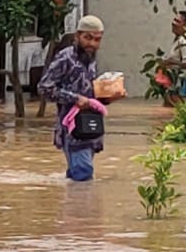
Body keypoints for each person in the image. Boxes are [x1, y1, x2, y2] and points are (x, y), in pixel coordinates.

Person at [37, 15, 123, 182]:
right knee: (83, 175)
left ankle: (75, 206)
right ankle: (82, 207)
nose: (92, 44)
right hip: (72, 129)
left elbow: (90, 94)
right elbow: (44, 88)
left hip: (90, 126)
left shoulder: (91, 59)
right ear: (77, 36)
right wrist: (75, 98)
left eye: (97, 40)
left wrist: (109, 97)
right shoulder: (65, 58)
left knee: (78, 177)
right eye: (88, 38)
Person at [158, 10, 186, 106]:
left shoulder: (185, 40)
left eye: (178, 21)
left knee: (178, 111)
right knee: (168, 110)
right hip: (174, 85)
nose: (173, 23)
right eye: (174, 20)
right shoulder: (179, 39)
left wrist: (169, 62)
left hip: (182, 84)